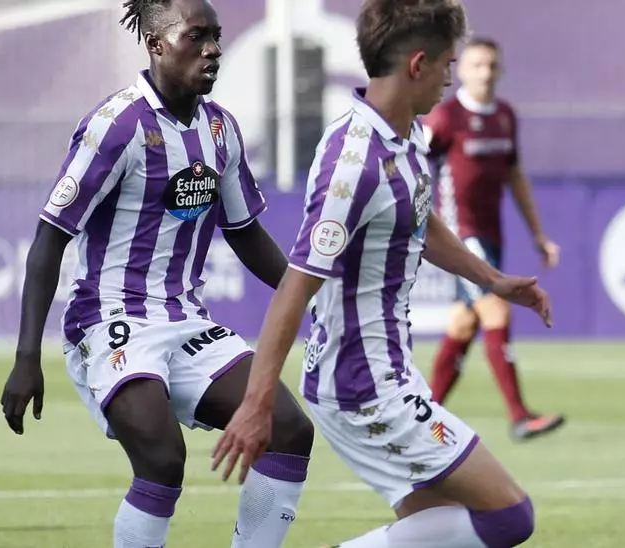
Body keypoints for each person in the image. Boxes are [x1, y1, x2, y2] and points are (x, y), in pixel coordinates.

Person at [210, 1, 546, 546]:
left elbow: (420, 218)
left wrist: (494, 281)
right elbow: (296, 284)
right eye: (447, 65)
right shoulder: (354, 160)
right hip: (363, 387)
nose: (450, 79)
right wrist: (256, 403)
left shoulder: (404, 134)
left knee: (436, 528)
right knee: (510, 517)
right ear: (418, 65)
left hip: (382, 372)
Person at [0, 1, 315, 547]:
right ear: (156, 44)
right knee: (163, 458)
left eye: (216, 36)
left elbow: (243, 231)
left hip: (186, 320)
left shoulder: (220, 128)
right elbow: (50, 238)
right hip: (109, 321)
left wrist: (312, 295)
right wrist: (28, 357)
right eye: (197, 36)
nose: (213, 49)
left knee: (289, 429)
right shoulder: (116, 124)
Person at [421, 36, 564, 441]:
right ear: (461, 71)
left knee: (463, 325)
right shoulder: (445, 118)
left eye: (491, 65)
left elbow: (515, 177)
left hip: (491, 235)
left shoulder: (504, 116)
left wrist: (538, 234)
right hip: (460, 237)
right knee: (496, 311)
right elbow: (412, 161)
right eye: (476, 65)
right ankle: (519, 415)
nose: (485, 73)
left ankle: (423, 417)